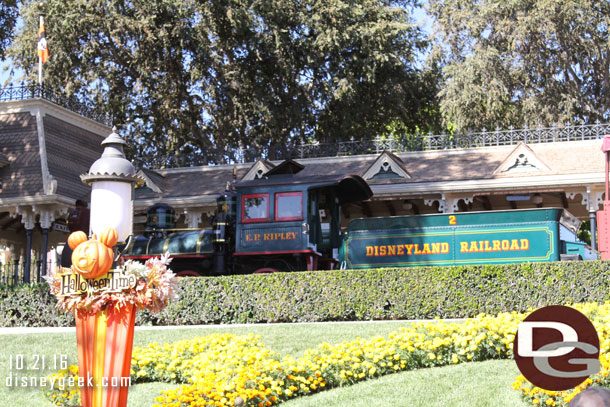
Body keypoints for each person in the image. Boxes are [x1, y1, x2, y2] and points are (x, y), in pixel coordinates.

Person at [60, 200, 90, 267]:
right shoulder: (88, 212)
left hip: (72, 237)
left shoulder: (72, 212)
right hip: (84, 236)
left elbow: (69, 223)